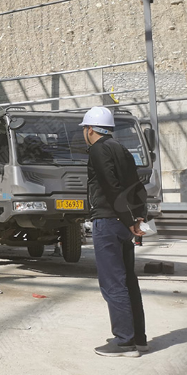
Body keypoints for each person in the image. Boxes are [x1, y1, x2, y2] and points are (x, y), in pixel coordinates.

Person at [81, 106, 149, 358]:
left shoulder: (98, 149)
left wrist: (127, 218)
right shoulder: (122, 149)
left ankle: (124, 342)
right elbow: (136, 185)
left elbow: (110, 186)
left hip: (108, 221)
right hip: (122, 224)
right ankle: (138, 338)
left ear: (90, 129)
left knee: (112, 282)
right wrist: (138, 216)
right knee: (128, 280)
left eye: (84, 129)